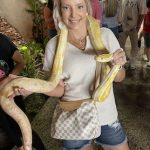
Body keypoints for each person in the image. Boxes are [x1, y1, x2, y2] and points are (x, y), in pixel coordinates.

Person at [10, 0, 129, 149]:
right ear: (59, 11)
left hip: (106, 115)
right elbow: (59, 88)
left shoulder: (105, 35)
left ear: (87, 8)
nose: (73, 14)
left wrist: (117, 65)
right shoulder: (53, 45)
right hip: (74, 117)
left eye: (79, 6)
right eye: (66, 7)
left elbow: (120, 77)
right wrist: (33, 87)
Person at [0, 33, 46, 150]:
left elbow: (21, 62)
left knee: (23, 127)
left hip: (11, 94)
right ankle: (20, 145)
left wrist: (8, 79)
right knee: (7, 129)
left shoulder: (3, 41)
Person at [118, 0, 146, 69]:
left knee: (134, 46)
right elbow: (119, 8)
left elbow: (142, 13)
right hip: (123, 26)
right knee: (120, 44)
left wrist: (138, 26)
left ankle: (132, 62)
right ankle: (125, 59)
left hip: (134, 27)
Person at [143, 0, 150, 66]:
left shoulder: (147, 12)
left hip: (146, 31)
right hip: (148, 32)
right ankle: (149, 60)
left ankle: (144, 55)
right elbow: (148, 22)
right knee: (148, 47)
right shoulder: (148, 13)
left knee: (147, 45)